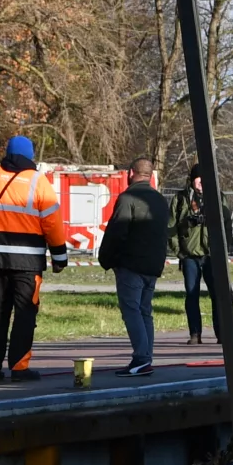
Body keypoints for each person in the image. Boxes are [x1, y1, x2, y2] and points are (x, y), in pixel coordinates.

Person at [0, 133, 66, 381]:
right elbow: (52, 222)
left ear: (7, 153)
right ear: (30, 156)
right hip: (28, 261)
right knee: (25, 312)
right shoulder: (38, 181)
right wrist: (59, 255)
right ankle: (19, 367)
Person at [99, 157, 170, 375]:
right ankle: (146, 357)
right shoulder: (160, 200)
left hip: (131, 264)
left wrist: (106, 259)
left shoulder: (127, 198)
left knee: (131, 310)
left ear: (131, 173)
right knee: (145, 311)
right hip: (153, 265)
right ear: (150, 175)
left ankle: (141, 358)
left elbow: (116, 232)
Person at [172, 168, 213, 344]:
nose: (201, 182)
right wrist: (179, 252)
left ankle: (222, 334)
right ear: (192, 180)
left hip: (212, 255)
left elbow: (227, 224)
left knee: (218, 295)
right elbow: (171, 227)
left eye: (204, 178)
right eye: (198, 178)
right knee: (191, 294)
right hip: (189, 255)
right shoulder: (181, 199)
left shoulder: (216, 197)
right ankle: (195, 334)